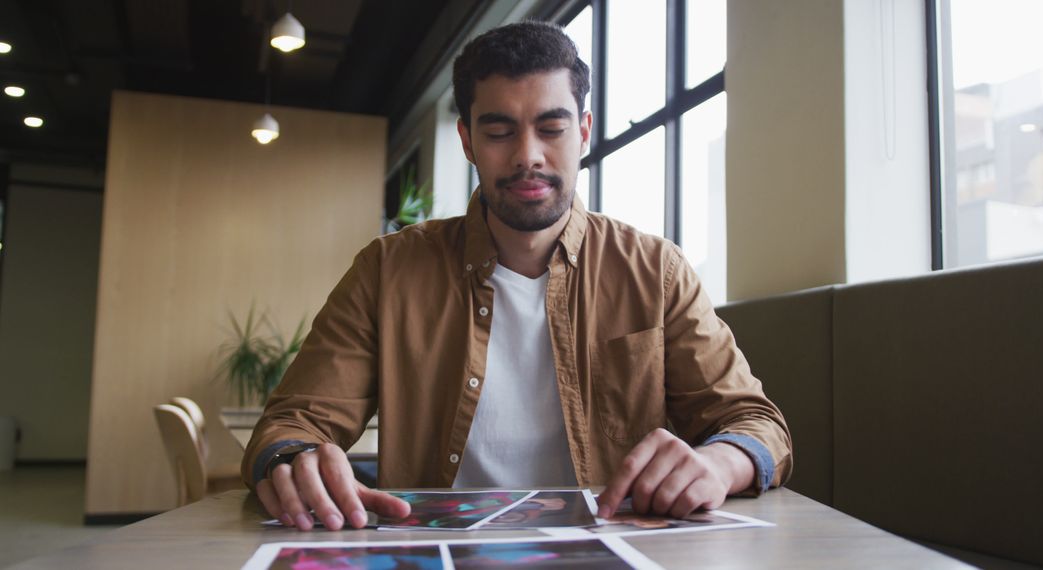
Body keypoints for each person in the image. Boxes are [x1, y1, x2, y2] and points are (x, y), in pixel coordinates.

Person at [241, 20, 792, 532]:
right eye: (500, 131)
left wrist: (722, 462)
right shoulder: (387, 271)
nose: (528, 155)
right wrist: (294, 460)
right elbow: (294, 421)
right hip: (434, 549)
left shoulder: (656, 271)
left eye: (551, 127)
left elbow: (753, 420)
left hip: (614, 548)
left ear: (583, 132)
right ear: (467, 141)